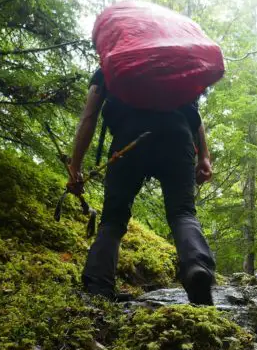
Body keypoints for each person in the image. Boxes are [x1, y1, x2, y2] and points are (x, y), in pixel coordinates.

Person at [65, 68, 216, 305]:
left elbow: (89, 117)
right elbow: (193, 113)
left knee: (114, 216)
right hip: (178, 136)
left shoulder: (113, 62)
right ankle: (197, 268)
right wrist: (204, 156)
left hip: (129, 137)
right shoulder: (174, 64)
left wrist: (75, 165)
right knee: (183, 212)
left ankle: (98, 286)